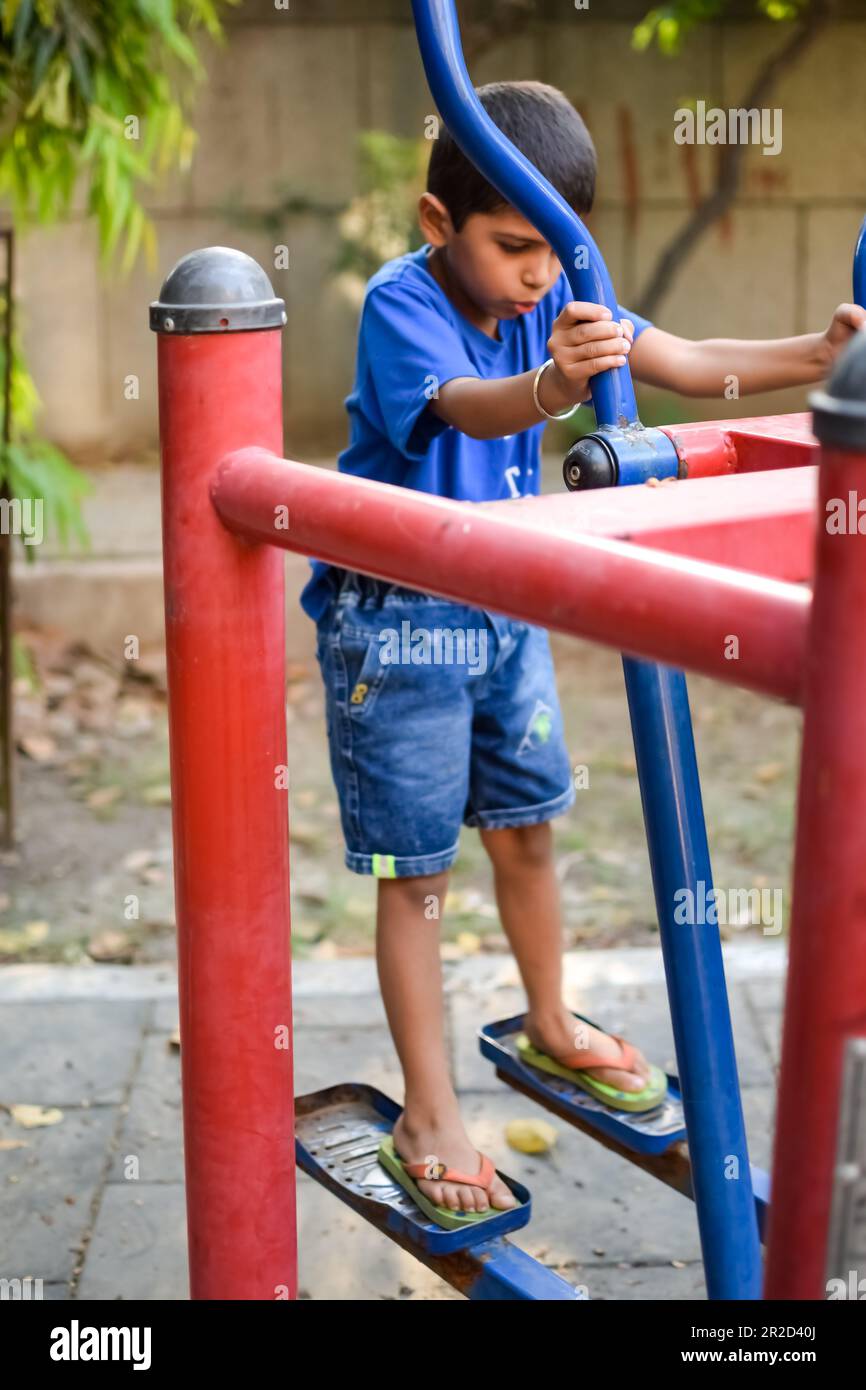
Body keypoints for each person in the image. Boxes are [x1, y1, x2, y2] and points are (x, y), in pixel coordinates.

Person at [300, 80, 866, 1223]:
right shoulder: (399, 305)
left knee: (529, 834)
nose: (539, 277)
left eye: (555, 252)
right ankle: (426, 1109)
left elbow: (679, 357)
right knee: (418, 881)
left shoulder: (557, 277)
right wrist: (549, 386)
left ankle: (550, 1019)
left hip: (501, 609)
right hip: (396, 624)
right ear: (432, 222)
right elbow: (462, 408)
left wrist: (812, 350)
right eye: (513, 249)